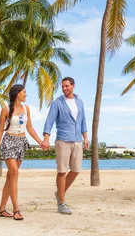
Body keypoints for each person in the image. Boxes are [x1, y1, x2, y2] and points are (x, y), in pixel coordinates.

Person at [0, 84, 46, 220]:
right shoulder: (5, 110)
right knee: (15, 173)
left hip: (21, 143)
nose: (26, 95)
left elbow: (30, 128)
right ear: (17, 94)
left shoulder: (26, 109)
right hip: (9, 142)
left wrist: (40, 142)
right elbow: (0, 131)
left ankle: (1, 209)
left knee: (10, 177)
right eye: (24, 92)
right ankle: (16, 209)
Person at [41, 77, 89, 215]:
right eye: (62, 86)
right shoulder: (57, 103)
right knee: (62, 171)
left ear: (73, 86)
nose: (64, 88)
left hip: (77, 140)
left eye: (67, 86)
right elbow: (49, 121)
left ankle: (59, 193)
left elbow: (83, 120)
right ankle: (62, 202)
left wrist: (85, 138)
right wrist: (46, 138)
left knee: (76, 170)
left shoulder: (79, 102)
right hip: (63, 140)